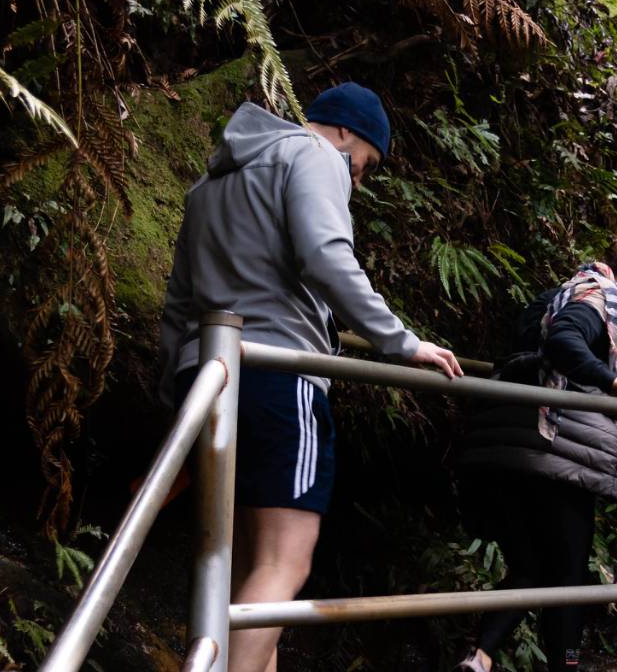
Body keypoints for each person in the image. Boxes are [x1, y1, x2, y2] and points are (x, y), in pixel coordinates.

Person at [157, 82, 463, 672]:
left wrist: (175, 395)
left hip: (206, 381)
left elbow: (178, 303)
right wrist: (402, 344)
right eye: (365, 165)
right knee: (284, 564)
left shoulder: (208, 186)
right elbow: (325, 254)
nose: (357, 180)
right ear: (346, 132)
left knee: (244, 570)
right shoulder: (315, 155)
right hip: (278, 377)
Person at [450, 215, 617, 672]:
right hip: (551, 451)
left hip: (499, 445)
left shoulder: (553, 297)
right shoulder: (600, 298)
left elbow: (530, 353)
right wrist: (612, 381)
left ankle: (481, 656)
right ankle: (564, 665)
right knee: (569, 576)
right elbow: (566, 343)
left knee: (530, 567)